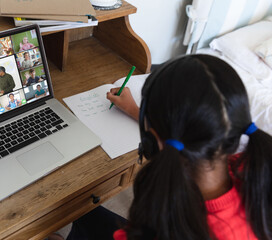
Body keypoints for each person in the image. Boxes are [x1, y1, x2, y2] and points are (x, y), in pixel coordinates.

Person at [61, 55, 272, 240]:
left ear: (153, 141)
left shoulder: (162, 222)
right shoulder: (253, 170)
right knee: (87, 213)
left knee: (82, 209)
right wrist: (135, 110)